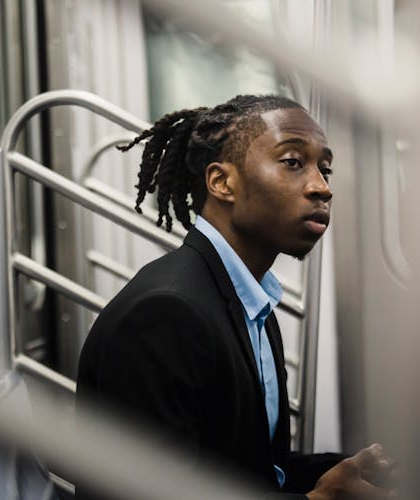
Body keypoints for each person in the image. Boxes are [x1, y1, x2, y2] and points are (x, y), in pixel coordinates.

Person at [77, 95, 396, 498]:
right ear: (222, 182)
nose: (321, 188)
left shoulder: (251, 302)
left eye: (325, 169)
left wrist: (341, 469)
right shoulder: (166, 314)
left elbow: (246, 467)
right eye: (293, 162)